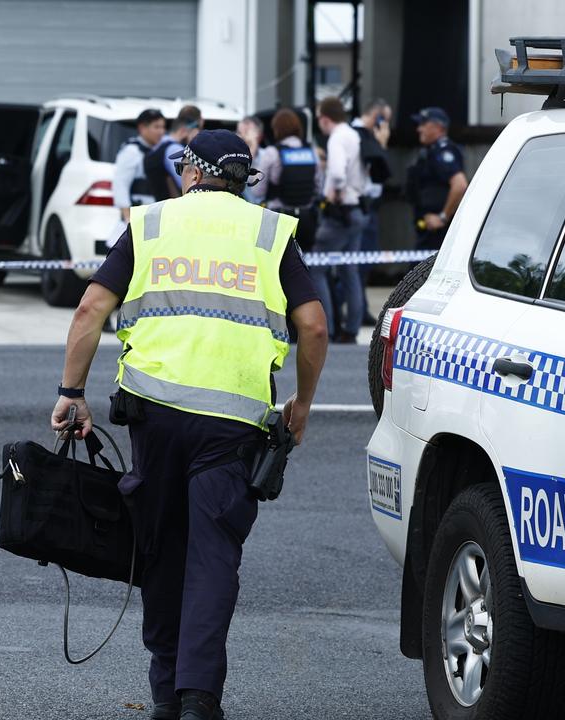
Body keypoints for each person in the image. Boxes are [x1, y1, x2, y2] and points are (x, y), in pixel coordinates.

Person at [49, 130, 328, 720]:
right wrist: (301, 403)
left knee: (161, 552)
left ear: (194, 172)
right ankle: (198, 698)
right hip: (232, 428)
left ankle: (162, 694)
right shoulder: (270, 233)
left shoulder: (152, 225)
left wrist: (71, 391)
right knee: (212, 559)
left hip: (154, 418)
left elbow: (90, 309)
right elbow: (315, 326)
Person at [312, 97, 367, 344]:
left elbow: (336, 172)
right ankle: (351, 328)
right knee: (349, 269)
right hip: (357, 208)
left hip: (340, 211)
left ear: (325, 118)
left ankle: (328, 327)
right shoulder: (354, 135)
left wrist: (335, 192)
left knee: (317, 268)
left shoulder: (336, 138)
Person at [250, 109, 322, 251]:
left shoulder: (272, 153)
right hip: (306, 219)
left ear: (276, 129)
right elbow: (318, 188)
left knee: (268, 263)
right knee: (303, 266)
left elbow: (257, 191)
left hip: (275, 218)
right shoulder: (311, 152)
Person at [351, 99, 393, 326]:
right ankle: (353, 312)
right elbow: (380, 173)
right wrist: (381, 144)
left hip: (367, 205)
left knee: (363, 262)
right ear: (377, 118)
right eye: (385, 120)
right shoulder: (362, 136)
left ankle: (359, 309)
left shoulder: (359, 135)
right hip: (362, 205)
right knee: (357, 263)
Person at [405, 106, 468, 250]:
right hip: (427, 227)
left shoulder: (443, 150)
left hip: (438, 231)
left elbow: (460, 185)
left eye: (423, 124)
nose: (419, 129)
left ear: (438, 127)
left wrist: (442, 217)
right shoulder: (430, 151)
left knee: (418, 271)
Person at [114, 109, 169, 221]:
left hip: (155, 213)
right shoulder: (132, 151)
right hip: (138, 215)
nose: (161, 132)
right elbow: (121, 184)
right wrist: (127, 217)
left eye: (163, 127)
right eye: (156, 127)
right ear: (142, 128)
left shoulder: (158, 151)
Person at [151, 105, 203, 201]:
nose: (199, 133)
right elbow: (190, 183)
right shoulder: (174, 149)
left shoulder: (160, 145)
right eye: (198, 129)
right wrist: (193, 143)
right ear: (184, 130)